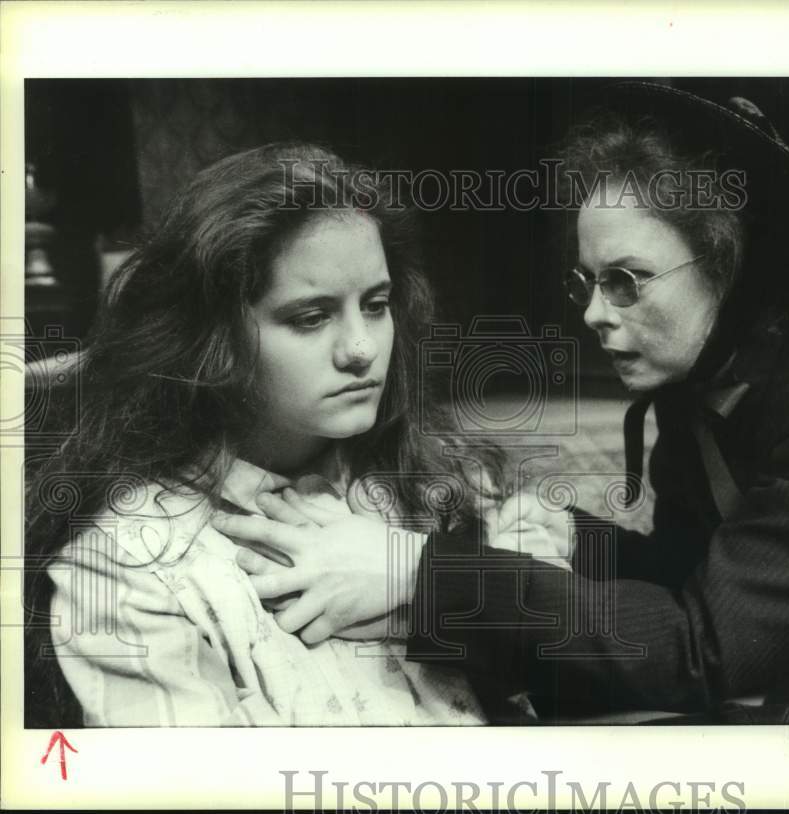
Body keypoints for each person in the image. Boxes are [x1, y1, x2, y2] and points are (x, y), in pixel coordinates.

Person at [216, 84, 789, 724]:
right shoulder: (701, 379)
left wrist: (424, 571)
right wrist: (574, 538)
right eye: (587, 284)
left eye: (627, 281)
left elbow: (705, 650)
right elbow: (699, 575)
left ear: (726, 264)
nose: (594, 316)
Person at [24, 142, 563, 727]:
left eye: (377, 305)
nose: (362, 349)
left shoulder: (437, 477)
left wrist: (488, 573)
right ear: (211, 337)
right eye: (311, 317)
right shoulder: (125, 568)